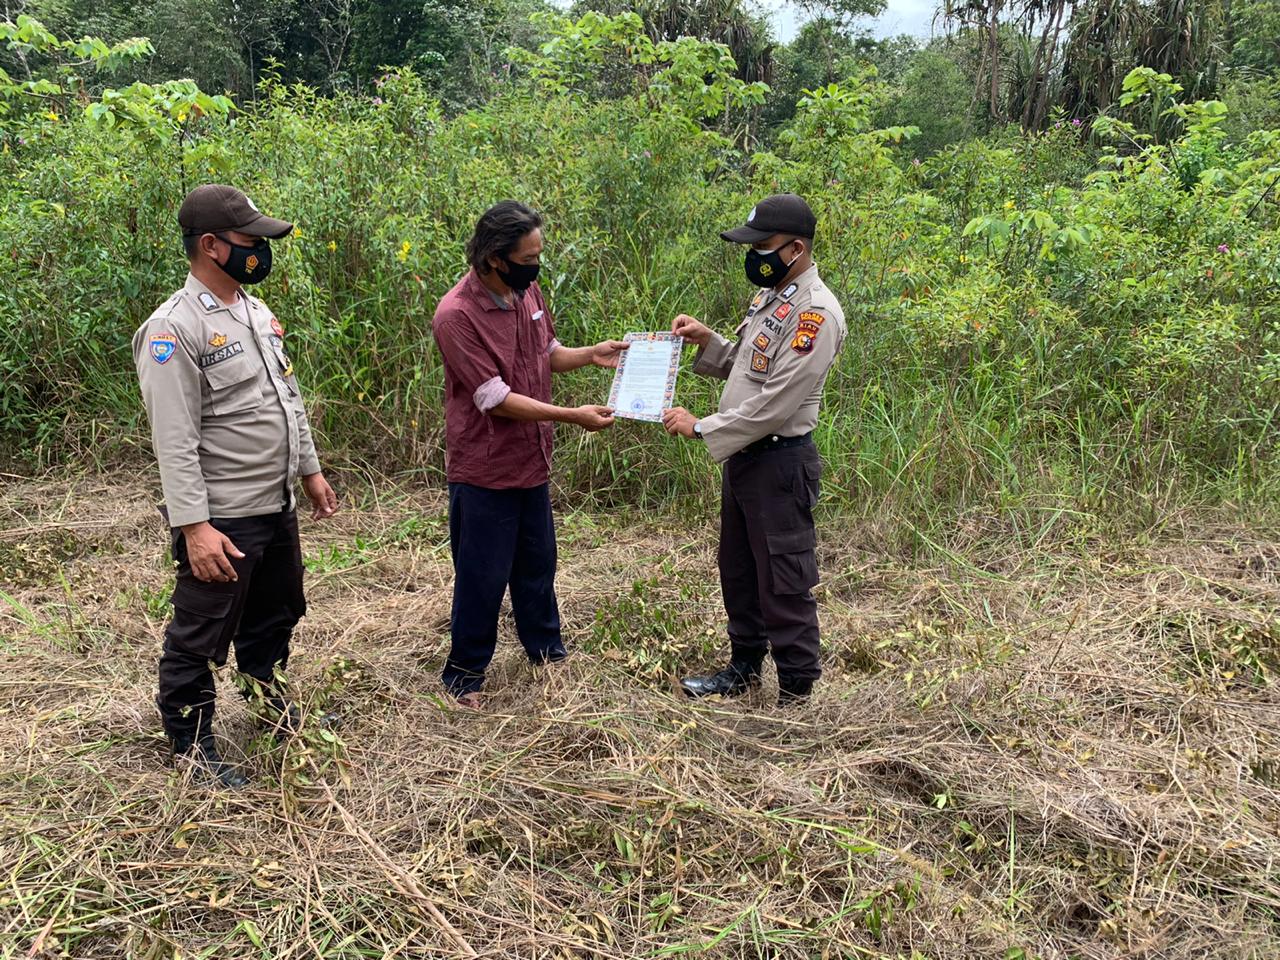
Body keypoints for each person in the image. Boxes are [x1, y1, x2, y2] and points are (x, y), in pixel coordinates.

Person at [132, 184, 339, 788]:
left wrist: (310, 468)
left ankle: (267, 700)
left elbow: (285, 399)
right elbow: (174, 440)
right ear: (210, 246)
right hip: (224, 514)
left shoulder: (252, 312)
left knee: (277, 611)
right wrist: (195, 527)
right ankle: (190, 744)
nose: (261, 253)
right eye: (251, 243)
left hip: (274, 502)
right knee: (200, 632)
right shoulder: (173, 329)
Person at [432, 201, 626, 708]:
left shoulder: (527, 290)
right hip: (486, 469)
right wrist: (571, 416)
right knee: (482, 574)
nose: (537, 264)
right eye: (529, 256)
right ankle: (464, 675)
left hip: (531, 461)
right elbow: (494, 398)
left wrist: (590, 354)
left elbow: (546, 353)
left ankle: (546, 652)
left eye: (539, 254)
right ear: (496, 257)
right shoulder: (456, 315)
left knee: (538, 563)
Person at [662, 193, 846, 706]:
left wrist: (703, 428)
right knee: (740, 569)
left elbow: (777, 404)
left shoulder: (815, 314)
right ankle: (743, 668)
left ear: (796, 248)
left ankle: (795, 691)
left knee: (783, 579)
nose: (754, 256)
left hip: (778, 462)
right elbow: (749, 366)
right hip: (745, 459)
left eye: (762, 246)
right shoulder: (774, 296)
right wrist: (708, 341)